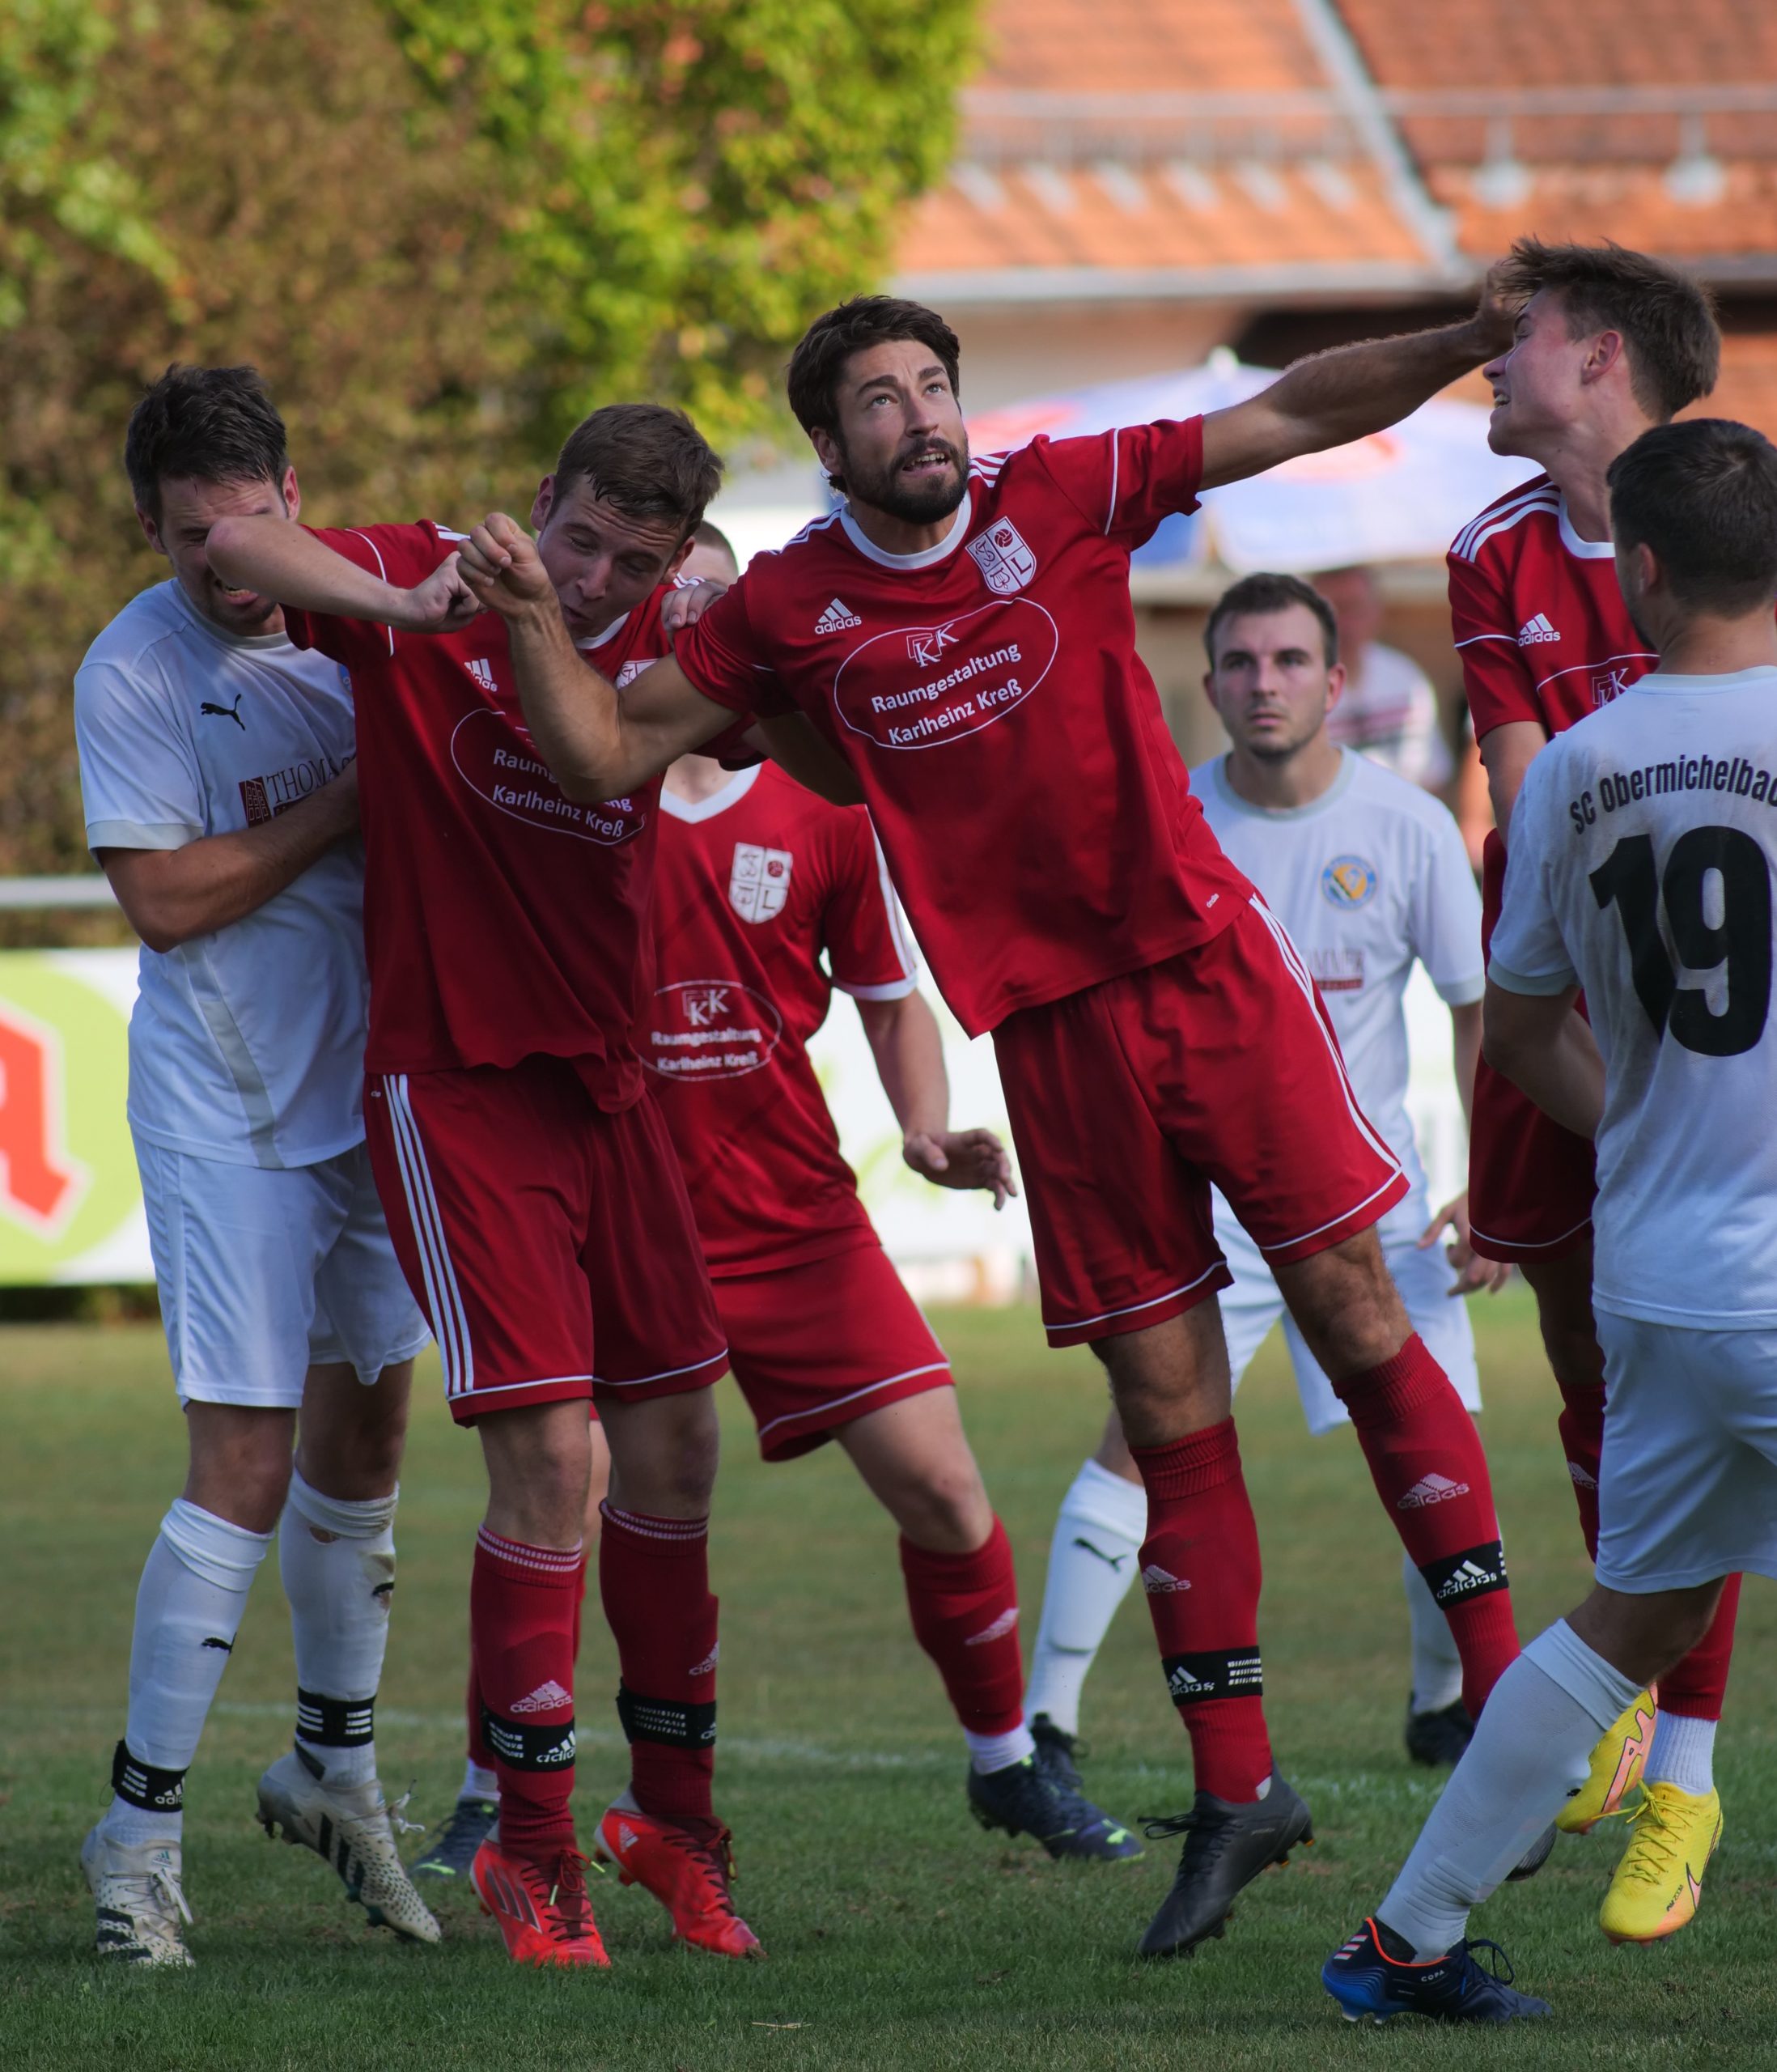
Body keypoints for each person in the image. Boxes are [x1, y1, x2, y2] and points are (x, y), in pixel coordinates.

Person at [451, 282, 1533, 1961]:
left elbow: (1294, 409)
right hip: (1047, 1034)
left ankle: (1509, 1703)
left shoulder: (1066, 488)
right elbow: (600, 753)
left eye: (932, 384)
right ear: (830, 448)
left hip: (1205, 970)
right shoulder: (789, 604)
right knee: (1163, 1403)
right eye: (879, 399)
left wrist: (1466, 334)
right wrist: (532, 613)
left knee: (1355, 1309)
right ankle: (1239, 1792)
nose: (920, 414)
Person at [205, 407, 761, 1971]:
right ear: (539, 502)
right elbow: (237, 540)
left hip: (613, 1083)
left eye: (631, 561)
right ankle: (528, 1849)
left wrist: (741, 630)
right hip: (457, 1086)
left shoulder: (668, 641)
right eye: (577, 539)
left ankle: (674, 1826)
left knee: (680, 1451)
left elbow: (795, 747)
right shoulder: (429, 580)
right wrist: (408, 601)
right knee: (551, 1466)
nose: (590, 580)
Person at [1325, 417, 1777, 2024]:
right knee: (1636, 1618)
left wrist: (1641, 1127)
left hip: (1657, 1267)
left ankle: (1406, 1938)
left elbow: (1518, 1030)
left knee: (1631, 1619)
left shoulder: (1579, 765)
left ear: (1639, 569)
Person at [1021, 571, 1502, 1785]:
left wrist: (1491, 1176)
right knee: (1142, 1444)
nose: (1264, 684)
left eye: (1290, 661)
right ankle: (1043, 1731)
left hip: (1373, 1207)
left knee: (1439, 1442)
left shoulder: (1408, 826)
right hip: (1214, 1219)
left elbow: (1476, 1011)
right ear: (1210, 684)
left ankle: (1449, 1703)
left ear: (1338, 683)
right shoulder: (1171, 826)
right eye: (1240, 663)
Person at [73, 366, 437, 1967]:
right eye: (189, 539)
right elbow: (163, 901)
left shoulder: (371, 618)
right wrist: (355, 799)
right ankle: (136, 1835)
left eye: (245, 526)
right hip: (225, 1105)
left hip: (377, 1088)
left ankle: (332, 1767)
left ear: (295, 498)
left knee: (369, 1438)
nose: (224, 565)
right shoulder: (134, 668)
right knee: (243, 1457)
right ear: (149, 530)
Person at [1449, 239, 1739, 1928]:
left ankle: (1683, 1777)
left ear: (1605, 355)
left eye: (1522, 337)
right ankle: (1627, 1682)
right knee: (1598, 1368)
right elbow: (1524, 792)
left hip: (1724, 1021)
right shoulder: (1490, 552)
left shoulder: (1740, 515)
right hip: (1559, 999)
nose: (1491, 363)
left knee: (1707, 1381)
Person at [1313, 565, 1453, 790]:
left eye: (1355, 608)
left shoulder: (1405, 678)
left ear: (1376, 611)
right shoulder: (1298, 685)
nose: (1345, 623)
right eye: (1333, 611)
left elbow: (1431, 775)